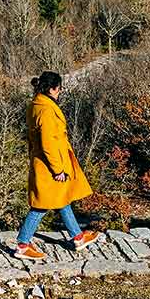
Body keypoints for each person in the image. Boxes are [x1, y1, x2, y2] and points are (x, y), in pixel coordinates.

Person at [15, 71, 100, 260]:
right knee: (41, 205)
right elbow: (48, 143)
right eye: (59, 89)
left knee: (61, 199)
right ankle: (22, 245)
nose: (59, 92)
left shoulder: (36, 104)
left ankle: (78, 237)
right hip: (49, 165)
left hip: (43, 161)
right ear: (53, 89)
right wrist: (58, 169)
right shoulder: (46, 110)